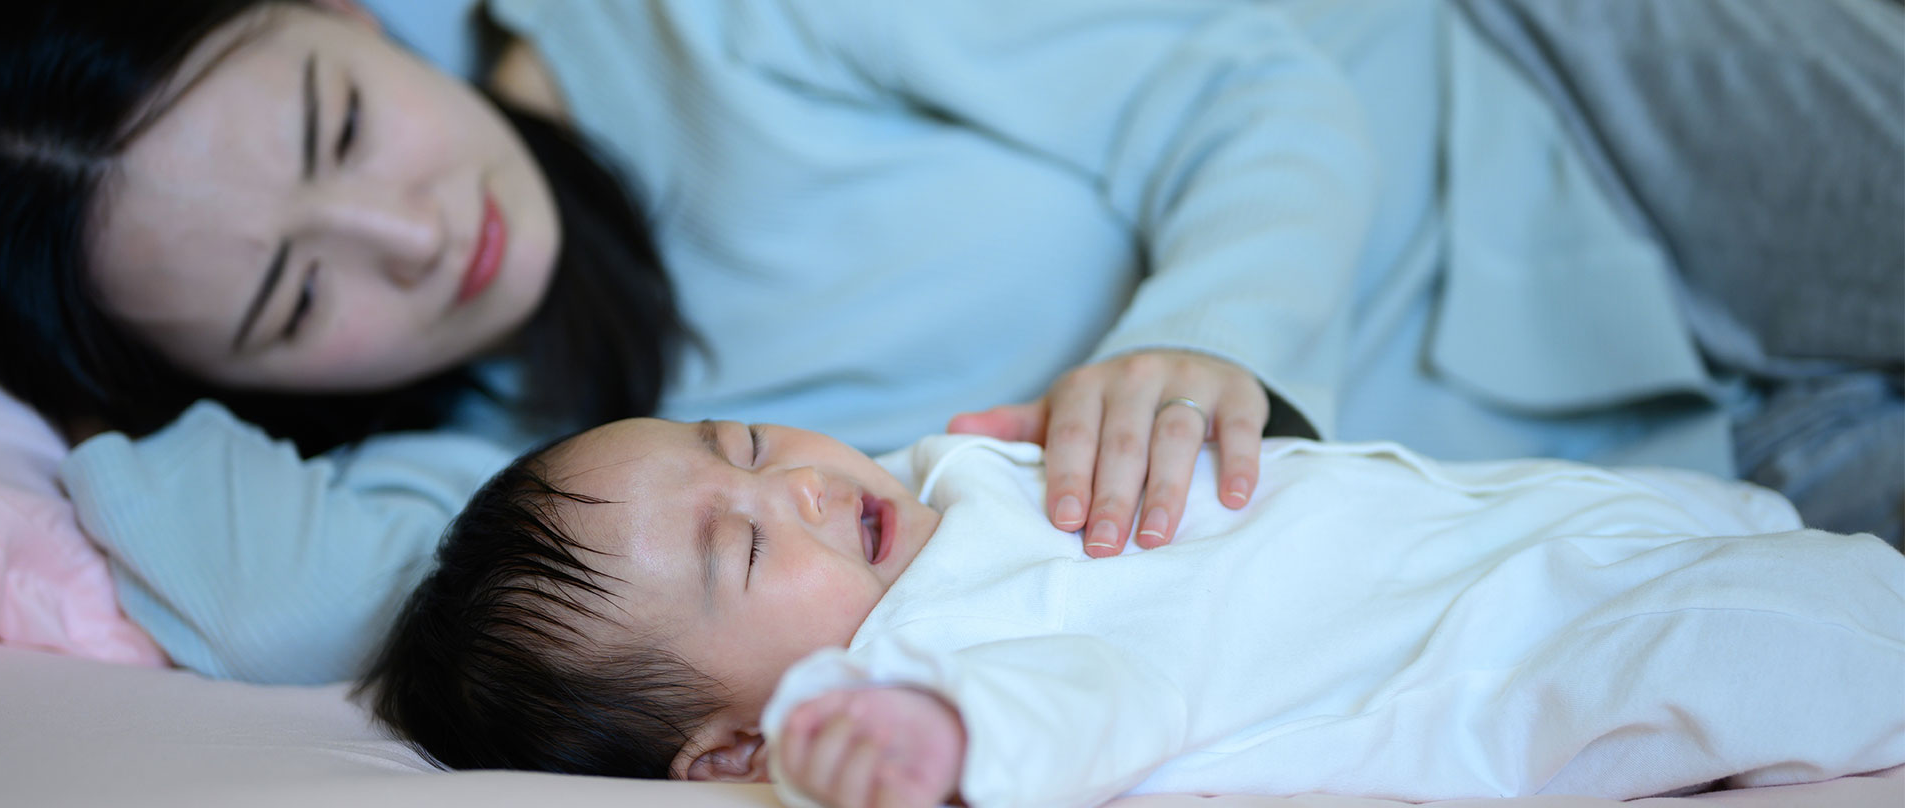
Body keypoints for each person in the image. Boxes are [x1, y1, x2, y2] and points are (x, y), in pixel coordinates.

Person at [0, 0, 1900, 683]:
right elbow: (251, 612)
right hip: (1625, 492)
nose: (418, 236)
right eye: (288, 298)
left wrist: (1193, 338)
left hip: (1562, 118)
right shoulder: (499, 506)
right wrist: (94, 398)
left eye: (342, 123)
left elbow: (1242, 83)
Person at [358, 417, 1905, 807]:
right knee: (1788, 637)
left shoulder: (940, 472)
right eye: (743, 552)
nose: (803, 492)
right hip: (1506, 646)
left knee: (1755, 555)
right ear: (726, 749)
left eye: (750, 444)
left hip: (1549, 525)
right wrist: (932, 736)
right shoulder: (917, 655)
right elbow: (1100, 693)